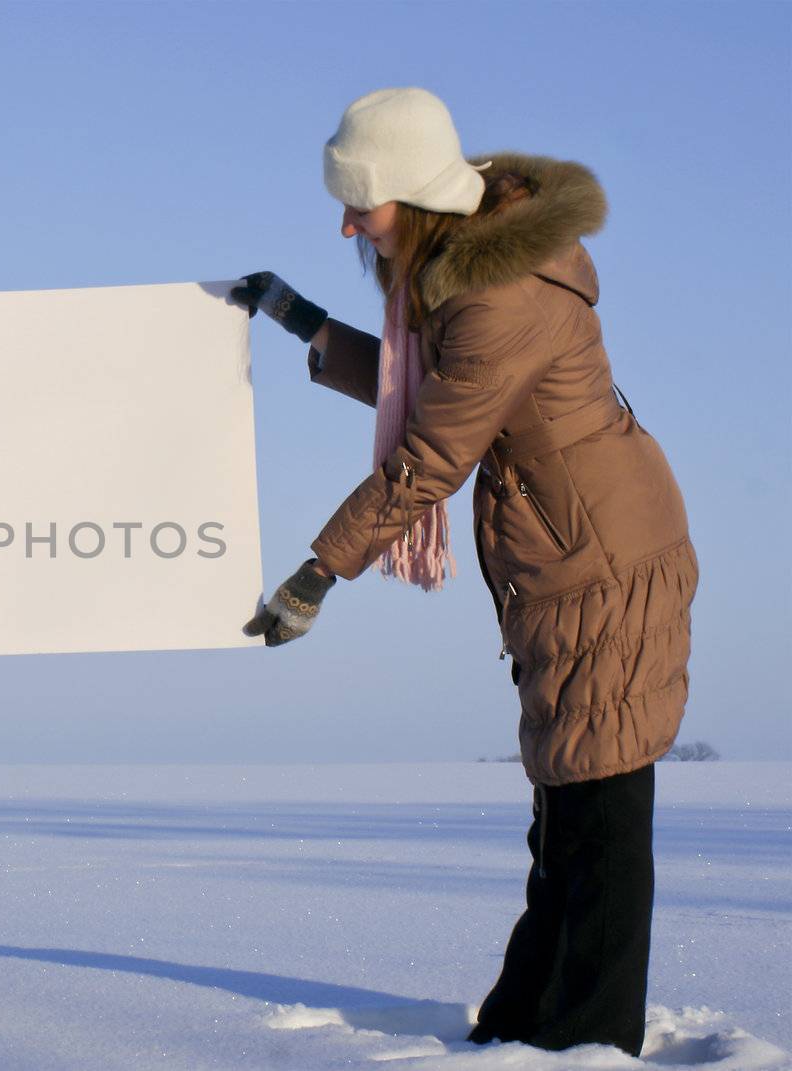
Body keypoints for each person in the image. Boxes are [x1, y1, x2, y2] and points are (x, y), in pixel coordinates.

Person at [234, 88, 696, 1057]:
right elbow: (433, 390)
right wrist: (305, 324)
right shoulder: (461, 272)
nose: (347, 222)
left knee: (598, 815)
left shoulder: (500, 294)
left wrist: (318, 573)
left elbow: (431, 456)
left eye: (360, 202)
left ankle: (588, 1037)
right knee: (565, 806)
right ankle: (528, 1019)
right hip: (562, 548)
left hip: (599, 559)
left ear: (413, 193)